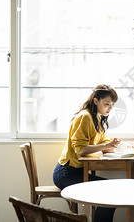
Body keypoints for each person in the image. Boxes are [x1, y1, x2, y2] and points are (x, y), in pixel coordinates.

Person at [53, 84, 121, 222]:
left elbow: (101, 143)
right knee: (110, 192)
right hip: (66, 173)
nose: (110, 108)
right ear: (96, 101)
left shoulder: (97, 118)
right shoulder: (85, 117)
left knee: (110, 190)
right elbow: (80, 150)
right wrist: (106, 145)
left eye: (112, 105)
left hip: (77, 171)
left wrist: (116, 145)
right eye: (107, 104)